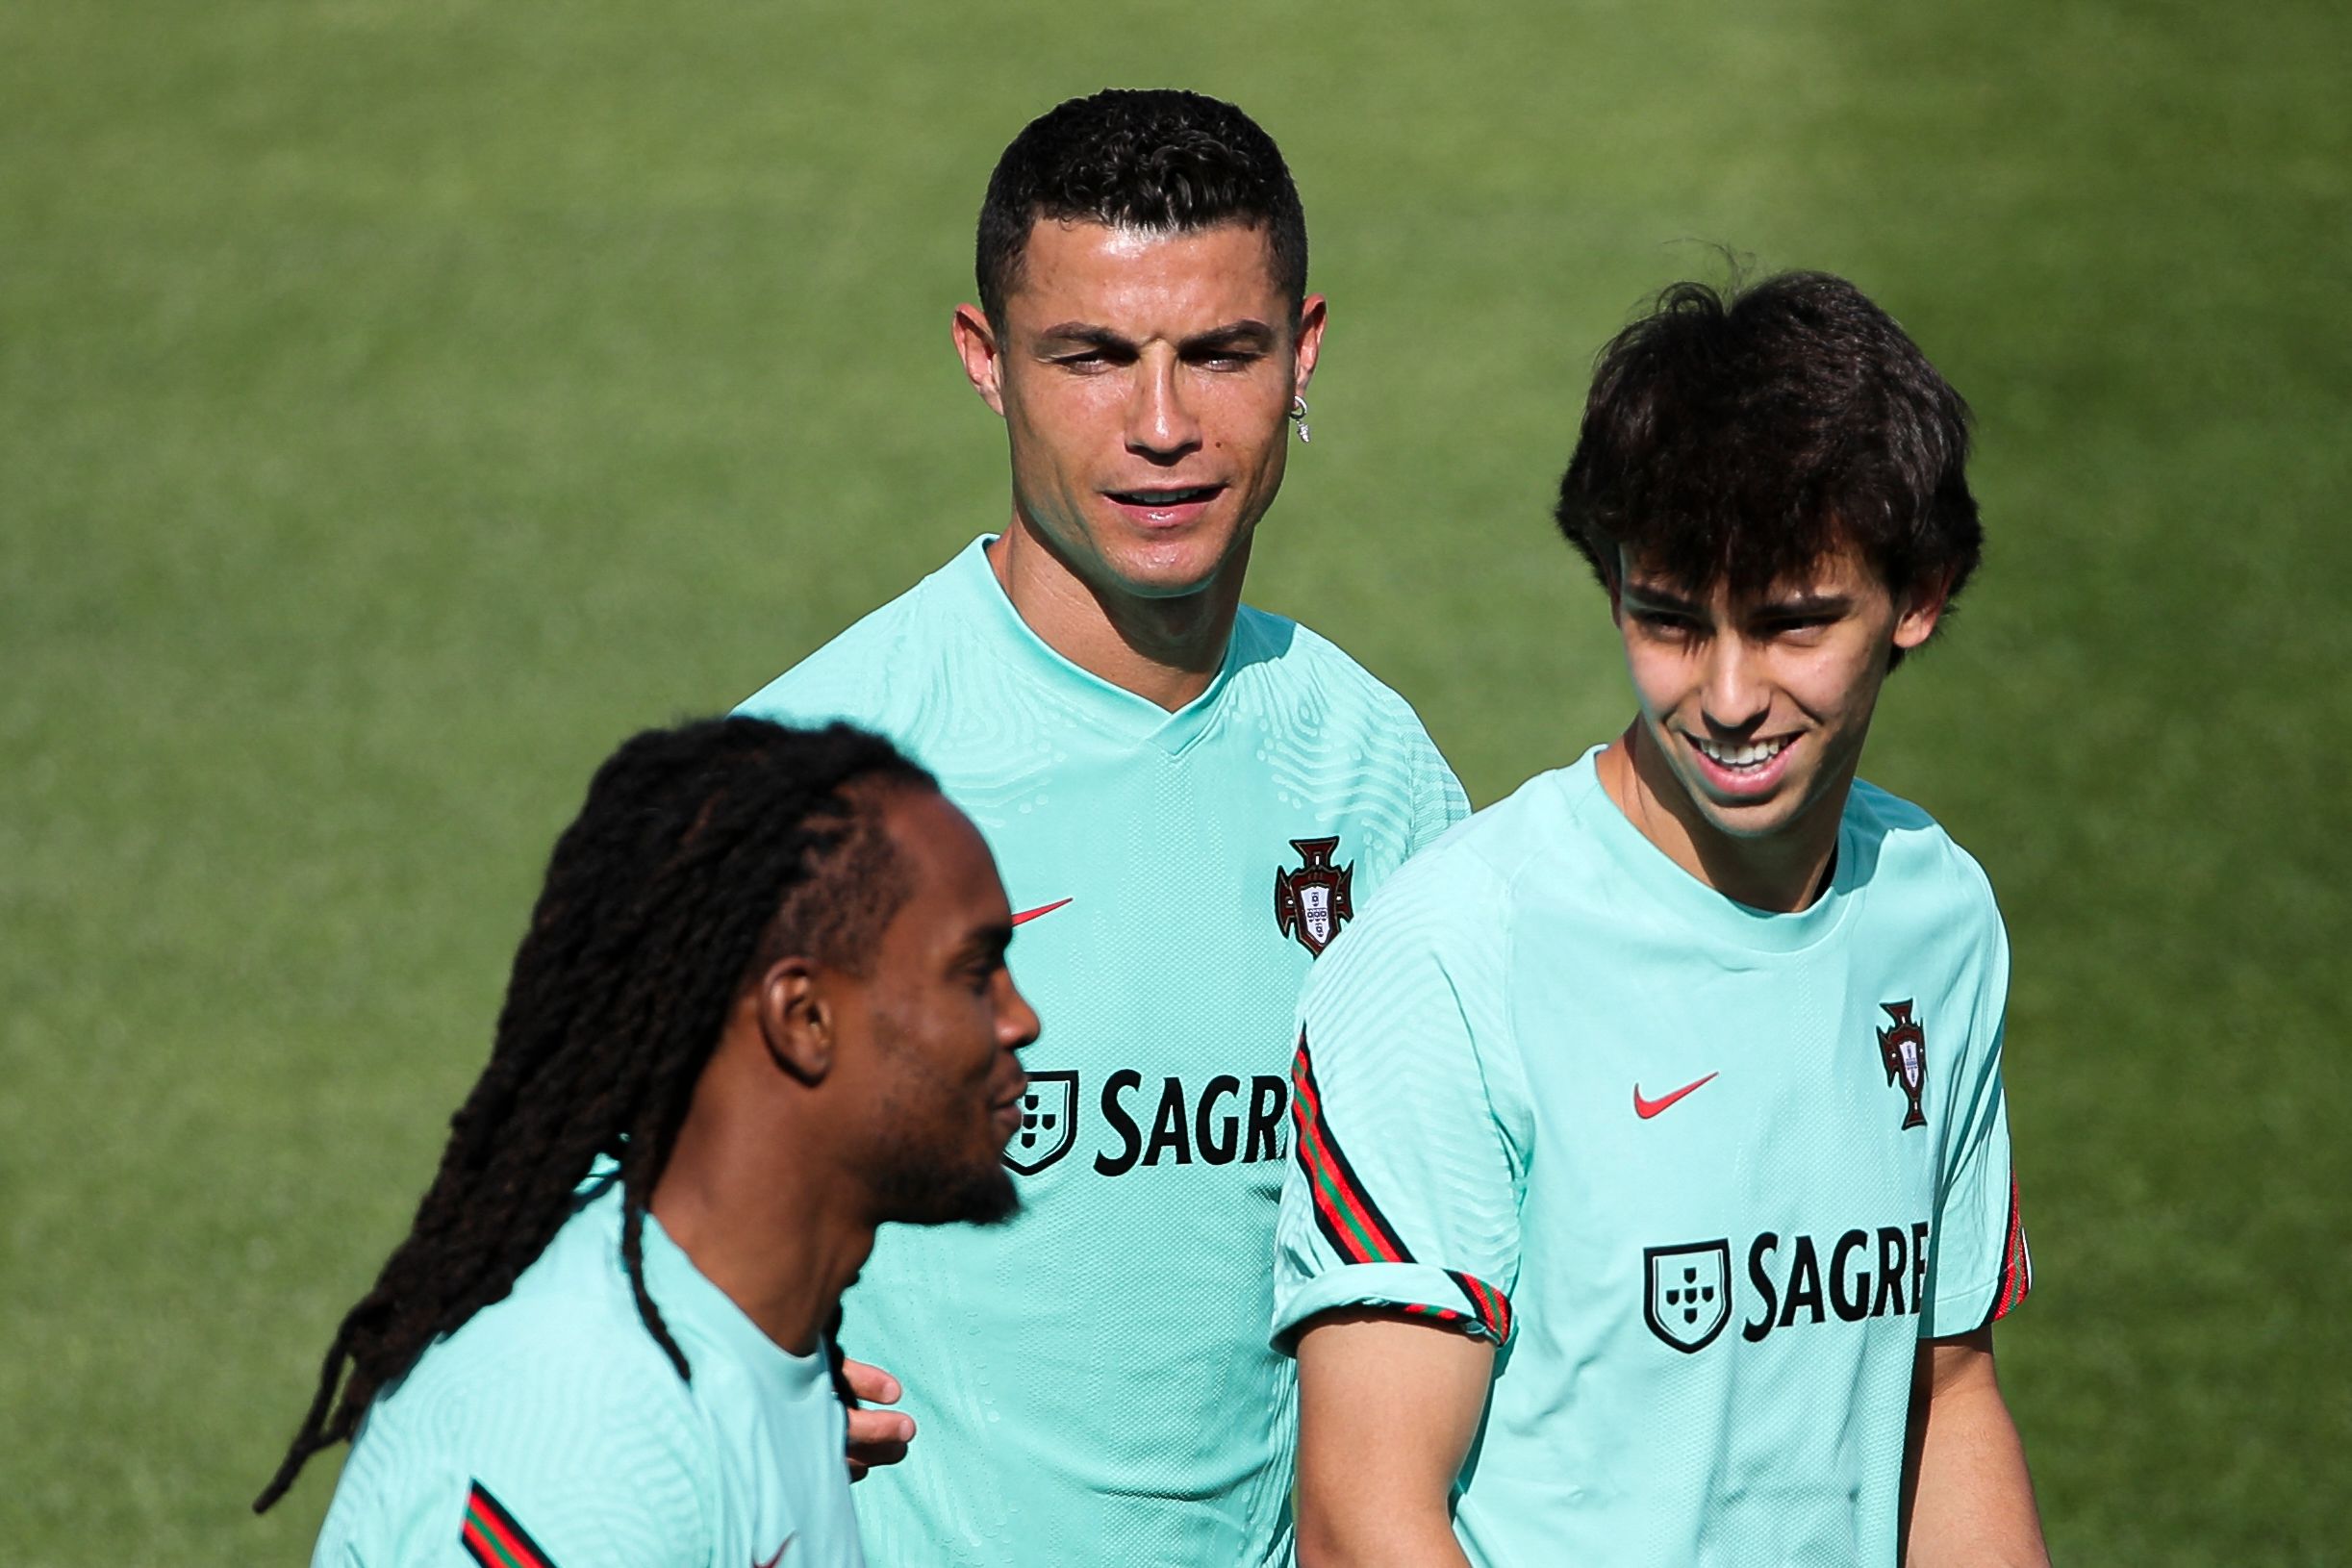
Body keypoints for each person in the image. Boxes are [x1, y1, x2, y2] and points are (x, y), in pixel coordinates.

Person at [738, 89, 1467, 1564]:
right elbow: (592, 1241)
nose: (1161, 427)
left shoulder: (1371, 772)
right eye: (1092, 357)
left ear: (1302, 351)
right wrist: (722, 1399)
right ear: (985, 361)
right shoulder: (799, 787)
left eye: (1219, 354)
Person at [1277, 272, 2049, 1566]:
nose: (1730, 695)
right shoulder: (1448, 960)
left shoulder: (1936, 911)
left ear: (1919, 594)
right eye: (1671, 620)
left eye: (1795, 624)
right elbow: (1366, 1519)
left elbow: (1945, 1387)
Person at [253, 717, 1039, 1567]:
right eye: (974, 972)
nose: (1019, 1019)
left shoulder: (770, 1351)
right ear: (803, 1019)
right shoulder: (581, 1438)